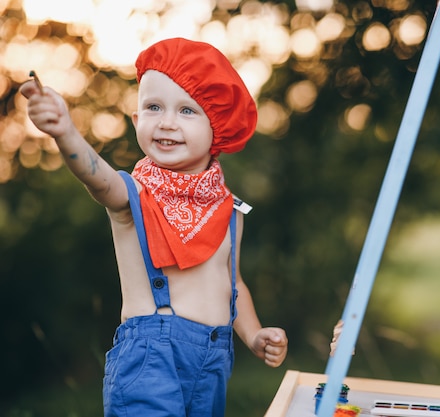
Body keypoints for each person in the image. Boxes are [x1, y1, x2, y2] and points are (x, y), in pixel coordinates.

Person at [21, 37, 288, 417]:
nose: (166, 122)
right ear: (136, 121)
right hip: (151, 360)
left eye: (187, 111)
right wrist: (66, 133)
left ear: (218, 128)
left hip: (213, 364)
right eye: (153, 107)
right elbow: (97, 178)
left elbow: (233, 283)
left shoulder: (228, 210)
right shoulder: (133, 196)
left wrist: (254, 333)